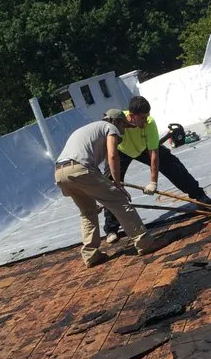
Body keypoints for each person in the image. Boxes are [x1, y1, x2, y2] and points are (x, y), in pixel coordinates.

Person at [103, 96, 211, 243]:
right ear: (131, 116)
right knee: (109, 185)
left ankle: (200, 196)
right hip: (121, 151)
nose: (146, 120)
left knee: (173, 165)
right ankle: (111, 228)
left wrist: (153, 182)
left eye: (147, 116)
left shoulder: (150, 123)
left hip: (143, 148)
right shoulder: (118, 121)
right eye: (142, 118)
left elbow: (154, 154)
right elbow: (112, 154)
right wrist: (116, 180)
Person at [54, 109, 154, 267]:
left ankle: (91, 255)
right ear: (117, 122)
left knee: (88, 212)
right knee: (119, 201)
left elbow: (93, 169)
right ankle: (145, 243)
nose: (124, 131)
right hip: (80, 169)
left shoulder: (90, 129)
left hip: (60, 173)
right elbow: (113, 156)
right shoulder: (110, 128)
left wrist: (103, 195)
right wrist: (118, 185)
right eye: (124, 127)